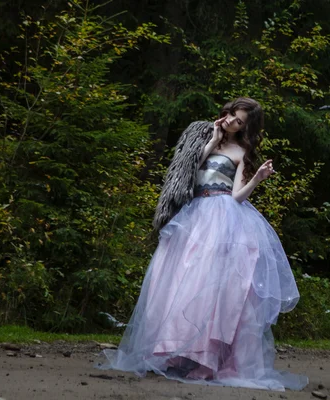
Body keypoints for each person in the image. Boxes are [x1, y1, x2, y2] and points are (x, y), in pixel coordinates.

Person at [97, 97, 308, 391]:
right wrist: (212, 140)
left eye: (240, 121)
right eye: (233, 114)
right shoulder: (201, 134)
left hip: (222, 216)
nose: (232, 120)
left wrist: (257, 178)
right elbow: (184, 172)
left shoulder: (241, 151)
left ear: (246, 128)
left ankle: (202, 358)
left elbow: (236, 197)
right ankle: (173, 353)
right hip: (191, 214)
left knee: (209, 288)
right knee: (176, 281)